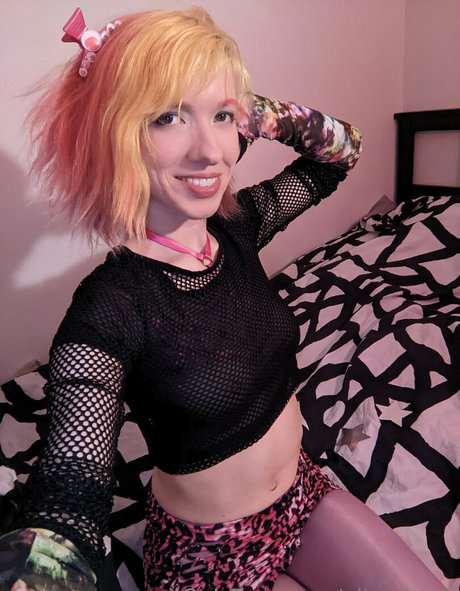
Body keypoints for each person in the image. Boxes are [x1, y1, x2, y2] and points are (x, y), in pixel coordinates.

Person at [0, 7, 445, 591]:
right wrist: (45, 564)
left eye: (222, 117)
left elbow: (342, 150)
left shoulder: (236, 227)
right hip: (208, 554)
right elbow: (69, 488)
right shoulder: (111, 306)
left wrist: (248, 108)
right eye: (168, 117)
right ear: (117, 133)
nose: (211, 152)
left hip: (303, 495)